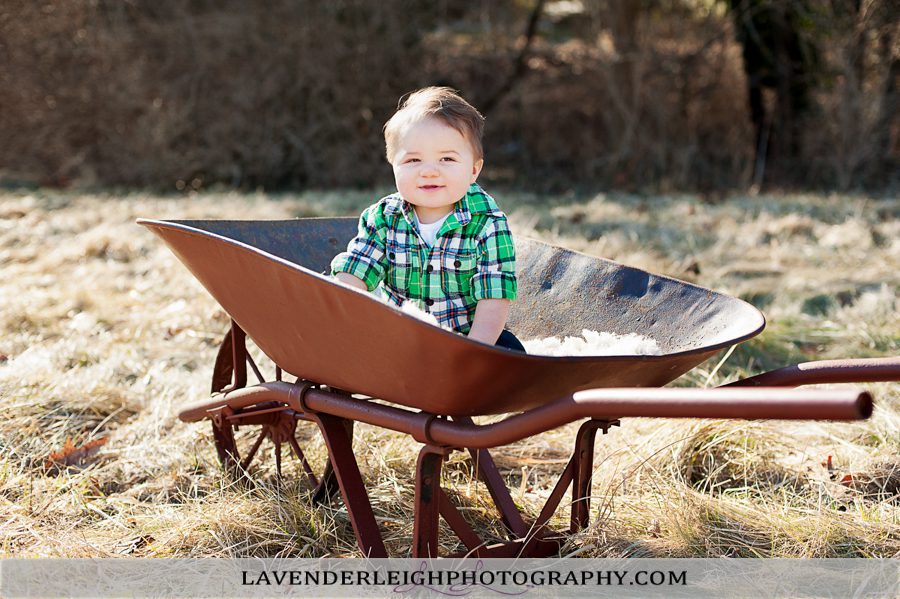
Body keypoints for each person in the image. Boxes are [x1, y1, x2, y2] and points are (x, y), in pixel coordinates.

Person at [331, 86, 524, 351]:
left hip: (469, 335)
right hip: (401, 336)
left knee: (512, 352)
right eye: (413, 160)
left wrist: (473, 353)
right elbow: (356, 272)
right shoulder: (384, 217)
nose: (429, 171)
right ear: (393, 165)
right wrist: (339, 316)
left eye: (446, 158)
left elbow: (494, 296)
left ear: (473, 170)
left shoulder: (488, 224)